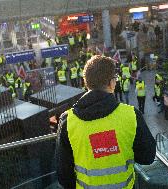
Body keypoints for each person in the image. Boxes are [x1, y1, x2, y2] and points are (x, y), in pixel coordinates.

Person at [56, 55, 156, 188]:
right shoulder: (131, 115)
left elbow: (63, 175)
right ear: (112, 82)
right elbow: (148, 157)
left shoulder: (68, 121)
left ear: (86, 82)